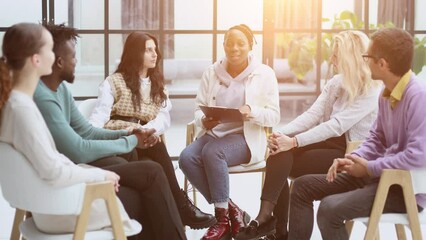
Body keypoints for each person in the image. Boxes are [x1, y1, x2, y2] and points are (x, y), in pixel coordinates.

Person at [0, 22, 186, 240]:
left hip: (54, 197)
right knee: (147, 184)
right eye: (49, 50)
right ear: (37, 60)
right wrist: (100, 175)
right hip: (58, 207)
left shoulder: (20, 102)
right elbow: (59, 165)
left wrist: (127, 135)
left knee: (142, 175)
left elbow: (81, 136)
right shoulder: (25, 108)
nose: (61, 58)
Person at [34, 24, 215, 231]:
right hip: (67, 175)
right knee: (150, 173)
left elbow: (85, 132)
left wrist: (135, 134)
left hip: (121, 147)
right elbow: (80, 145)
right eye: (73, 56)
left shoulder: (60, 90)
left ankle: (176, 207)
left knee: (147, 166)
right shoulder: (48, 97)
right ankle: (180, 207)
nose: (77, 61)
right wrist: (128, 139)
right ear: (57, 61)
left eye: (155, 49)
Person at [235, 30, 382, 240]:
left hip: (347, 153)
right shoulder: (336, 83)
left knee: (285, 159)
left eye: (336, 55)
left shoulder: (371, 90)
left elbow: (336, 126)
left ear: (350, 58)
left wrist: (294, 141)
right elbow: (313, 115)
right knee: (278, 151)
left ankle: (273, 225)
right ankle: (269, 219)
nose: (331, 60)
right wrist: (281, 135)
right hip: (325, 144)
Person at [287, 28, 426, 240]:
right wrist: (353, 159)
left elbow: (418, 155)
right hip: (376, 176)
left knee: (329, 209)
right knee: (301, 187)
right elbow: (376, 139)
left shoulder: (418, 97)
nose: (364, 61)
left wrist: (369, 167)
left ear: (382, 64)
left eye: (367, 57)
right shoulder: (386, 93)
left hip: (402, 189)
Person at [87, 31, 215, 229]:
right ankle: (181, 207)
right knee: (156, 150)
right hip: (117, 135)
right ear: (135, 53)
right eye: (148, 50)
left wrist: (146, 130)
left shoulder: (159, 87)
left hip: (144, 138)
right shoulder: (114, 81)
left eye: (155, 50)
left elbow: (163, 118)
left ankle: (170, 212)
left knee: (155, 146)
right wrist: (89, 139)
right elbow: (99, 116)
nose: (154, 54)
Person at [179, 24, 281, 240]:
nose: (234, 48)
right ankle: (234, 211)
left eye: (240, 43)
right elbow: (198, 107)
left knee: (213, 153)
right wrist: (204, 120)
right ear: (223, 45)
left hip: (245, 138)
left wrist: (252, 111)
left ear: (251, 45)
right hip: (213, 134)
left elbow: (274, 116)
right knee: (186, 158)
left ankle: (222, 222)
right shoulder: (211, 72)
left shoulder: (264, 74)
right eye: (229, 43)